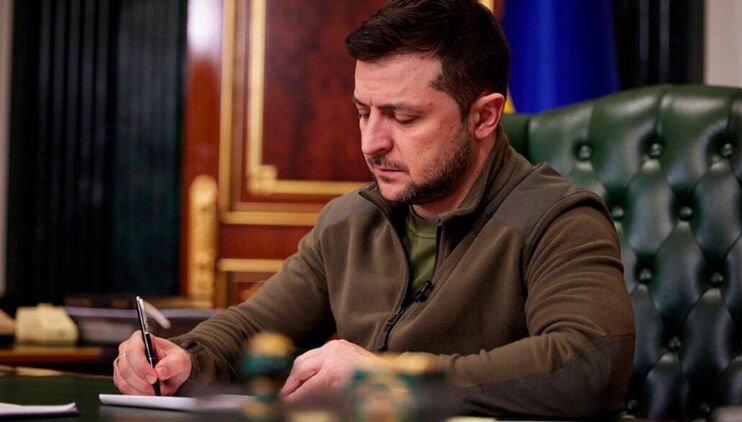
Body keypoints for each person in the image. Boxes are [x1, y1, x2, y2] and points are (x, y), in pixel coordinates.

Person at [113, 0, 635, 418]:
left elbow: (588, 362)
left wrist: (390, 378)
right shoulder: (350, 220)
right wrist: (185, 357)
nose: (371, 143)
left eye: (403, 118)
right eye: (363, 112)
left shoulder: (560, 219)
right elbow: (254, 327)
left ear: (484, 117)